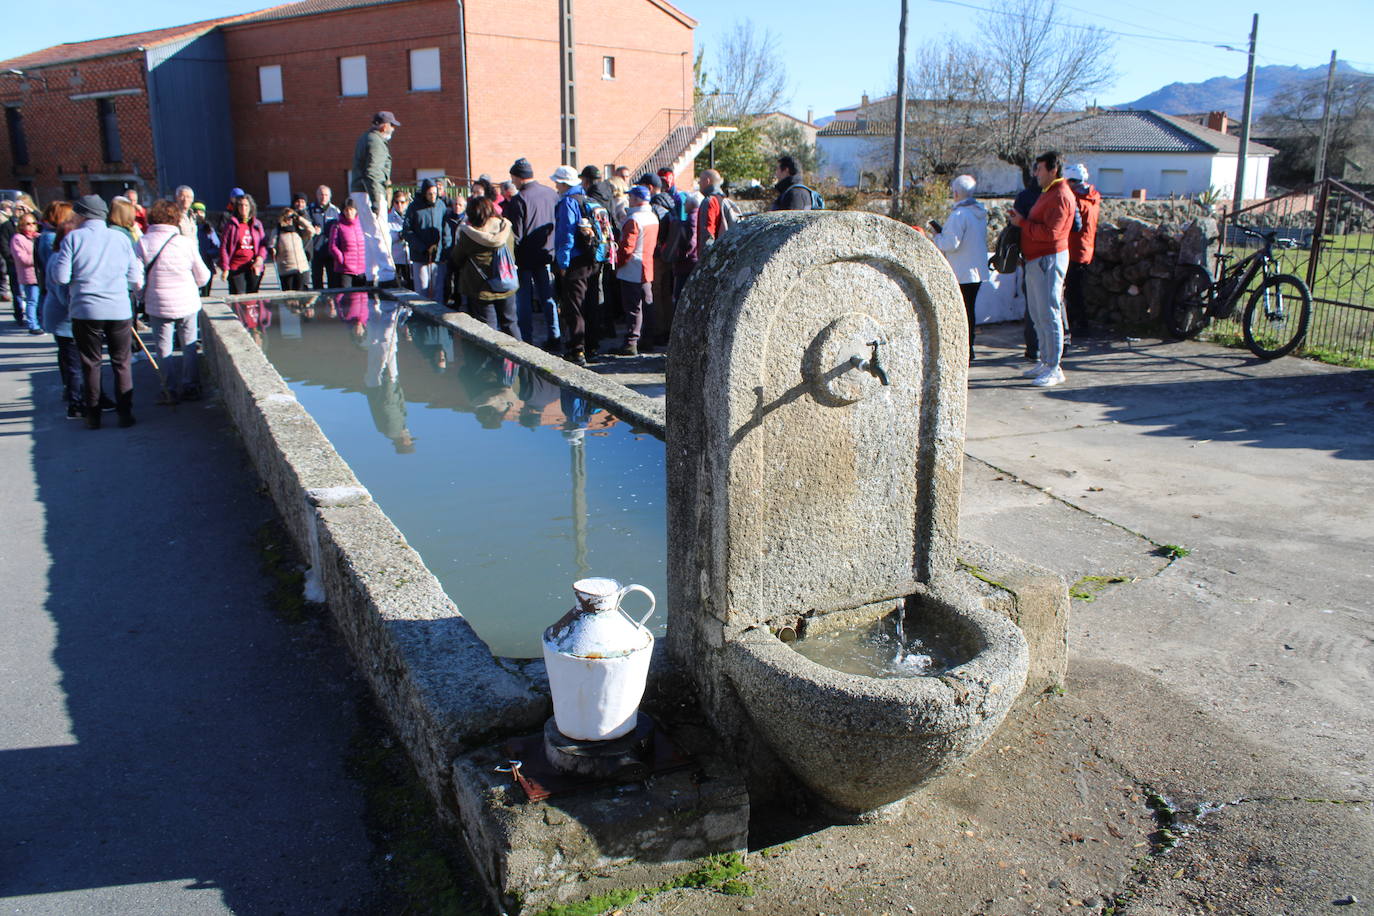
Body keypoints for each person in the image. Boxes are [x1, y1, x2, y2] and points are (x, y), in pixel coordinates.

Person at [46, 195, 144, 428]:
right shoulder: (120, 238)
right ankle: (125, 413)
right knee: (121, 362)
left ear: (81, 214)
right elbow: (135, 279)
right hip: (118, 308)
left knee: (91, 362)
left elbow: (61, 277)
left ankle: (93, 416)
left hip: (86, 309)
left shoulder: (73, 238)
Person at [1008, 150, 1075, 388]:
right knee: (1038, 314)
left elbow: (1052, 233)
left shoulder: (1060, 195)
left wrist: (1022, 223)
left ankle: (1054, 366)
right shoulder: (1050, 193)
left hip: (1048, 258)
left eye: (1039, 169)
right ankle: (1046, 362)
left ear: (1052, 170)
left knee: (1049, 313)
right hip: (1038, 259)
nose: (1036, 173)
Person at [138, 199, 211, 402]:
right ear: (176, 218)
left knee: (163, 348)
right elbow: (203, 276)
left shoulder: (143, 243)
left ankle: (169, 389)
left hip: (158, 303)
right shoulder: (185, 243)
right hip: (187, 301)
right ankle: (191, 386)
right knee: (189, 345)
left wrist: (142, 295)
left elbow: (136, 279)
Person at [551, 164, 605, 366]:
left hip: (576, 260)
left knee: (574, 305)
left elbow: (566, 235)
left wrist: (563, 263)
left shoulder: (568, 202)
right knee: (591, 303)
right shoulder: (588, 199)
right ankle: (592, 347)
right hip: (594, 258)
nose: (556, 186)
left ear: (564, 184)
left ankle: (577, 350)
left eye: (557, 183)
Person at [930, 174, 988, 363]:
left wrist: (936, 237)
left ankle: (964, 349)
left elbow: (950, 244)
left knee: (962, 313)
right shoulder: (980, 213)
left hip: (961, 271)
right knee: (970, 310)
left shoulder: (959, 215)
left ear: (956, 193)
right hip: (977, 270)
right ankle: (970, 347)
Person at [505, 157, 560, 350]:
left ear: (519, 177)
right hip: (547, 253)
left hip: (525, 258)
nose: (512, 182)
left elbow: (516, 234)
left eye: (513, 178)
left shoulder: (519, 200)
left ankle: (526, 339)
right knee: (548, 298)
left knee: (524, 300)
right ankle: (555, 336)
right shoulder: (551, 194)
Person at [37, 203, 87, 418]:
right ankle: (76, 403)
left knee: (69, 359)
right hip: (65, 319)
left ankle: (73, 393)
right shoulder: (60, 259)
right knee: (74, 363)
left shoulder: (57, 256)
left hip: (62, 316)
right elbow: (62, 293)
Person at [450, 195, 520, 339]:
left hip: (481, 288)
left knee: (488, 329)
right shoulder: (505, 228)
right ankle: (520, 352)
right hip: (506, 283)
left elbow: (457, 258)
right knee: (511, 324)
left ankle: (491, 354)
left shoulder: (469, 234)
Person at [349, 110, 401, 285]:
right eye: (392, 125)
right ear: (384, 126)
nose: (393, 129)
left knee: (370, 236)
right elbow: (373, 173)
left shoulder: (365, 138)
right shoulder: (376, 142)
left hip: (361, 191)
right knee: (381, 234)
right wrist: (376, 200)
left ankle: (372, 276)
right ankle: (388, 276)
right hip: (371, 192)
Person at [612, 185, 658, 357]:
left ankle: (631, 343)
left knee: (633, 306)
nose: (629, 199)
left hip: (632, 267)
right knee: (647, 303)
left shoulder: (634, 219)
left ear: (637, 199)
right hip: (647, 264)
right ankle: (648, 339)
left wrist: (617, 264)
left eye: (631, 197)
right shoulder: (652, 217)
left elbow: (627, 248)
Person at [1064, 163, 1102, 338]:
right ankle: (1077, 323)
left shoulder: (1076, 200)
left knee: (1073, 291)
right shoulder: (1093, 197)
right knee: (1076, 289)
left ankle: (1079, 325)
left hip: (1074, 249)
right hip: (1086, 248)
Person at [403, 179, 448, 300]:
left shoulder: (441, 205)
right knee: (422, 291)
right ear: (424, 193)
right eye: (430, 194)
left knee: (438, 291)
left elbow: (446, 230)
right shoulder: (414, 207)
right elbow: (407, 231)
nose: (433, 196)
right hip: (420, 256)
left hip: (438, 256)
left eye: (435, 193)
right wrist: (422, 248)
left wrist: (444, 250)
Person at [218, 194, 267, 294]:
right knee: (239, 298)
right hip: (236, 267)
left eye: (246, 205)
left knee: (253, 298)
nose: (243, 208)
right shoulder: (231, 225)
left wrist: (260, 258)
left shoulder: (257, 224)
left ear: (251, 207)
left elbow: (263, 244)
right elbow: (224, 247)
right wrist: (225, 267)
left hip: (253, 267)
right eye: (240, 205)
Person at [272, 195, 316, 291]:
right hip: (286, 269)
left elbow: (312, 230)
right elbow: (272, 245)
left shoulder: (297, 230)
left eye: (291, 218)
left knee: (303, 295)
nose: (289, 220)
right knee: (290, 296)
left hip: (301, 268)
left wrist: (298, 218)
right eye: (286, 218)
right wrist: (273, 250)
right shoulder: (278, 231)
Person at [9, 209, 42, 333]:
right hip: (29, 275)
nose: (31, 226)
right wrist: (39, 258)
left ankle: (41, 322)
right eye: (28, 224)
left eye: (33, 223)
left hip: (41, 274)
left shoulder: (38, 237)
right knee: (32, 300)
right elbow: (22, 258)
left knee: (41, 301)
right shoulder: (18, 239)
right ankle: (33, 325)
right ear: (21, 225)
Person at [696, 169, 737, 255]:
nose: (698, 183)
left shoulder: (709, 201)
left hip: (714, 254)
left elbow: (707, 233)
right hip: (726, 251)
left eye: (700, 180)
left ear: (707, 181)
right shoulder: (724, 199)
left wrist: (704, 258)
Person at [329, 196, 368, 286]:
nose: (349, 212)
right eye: (346, 210)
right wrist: (341, 259)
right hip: (345, 270)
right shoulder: (337, 226)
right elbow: (333, 246)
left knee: (361, 293)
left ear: (356, 210)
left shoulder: (362, 225)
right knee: (345, 293)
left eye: (351, 209)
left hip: (361, 269)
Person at [308, 184, 341, 289]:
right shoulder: (310, 209)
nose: (323, 197)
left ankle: (333, 298)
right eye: (321, 195)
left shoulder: (335, 210)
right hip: (316, 248)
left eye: (326, 195)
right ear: (317, 195)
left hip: (330, 248)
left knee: (333, 277)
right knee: (316, 276)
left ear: (330, 196)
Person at [192, 203, 220, 296]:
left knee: (205, 295)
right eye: (196, 212)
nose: (199, 214)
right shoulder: (188, 227)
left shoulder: (208, 228)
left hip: (206, 265)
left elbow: (217, 246)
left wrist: (208, 254)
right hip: (191, 266)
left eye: (201, 212)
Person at [388, 188, 412, 288]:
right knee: (398, 286)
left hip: (410, 258)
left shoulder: (411, 216)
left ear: (407, 202)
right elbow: (387, 237)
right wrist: (399, 235)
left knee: (411, 285)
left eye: (402, 202)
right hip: (396, 258)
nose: (399, 205)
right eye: (396, 202)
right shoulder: (388, 218)